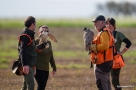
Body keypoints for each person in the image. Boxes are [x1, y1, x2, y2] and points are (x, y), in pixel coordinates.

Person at [18, 16, 47, 90]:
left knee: (24, 87)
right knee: (31, 86)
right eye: (35, 23)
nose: (36, 25)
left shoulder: (29, 34)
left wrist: (42, 46)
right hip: (27, 64)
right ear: (32, 24)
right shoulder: (25, 35)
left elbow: (32, 49)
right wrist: (24, 65)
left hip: (30, 64)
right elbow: (22, 50)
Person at [106, 18, 131, 90]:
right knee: (105, 80)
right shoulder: (104, 34)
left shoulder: (118, 34)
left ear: (114, 25)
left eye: (110, 24)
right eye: (107, 24)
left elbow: (128, 43)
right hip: (106, 59)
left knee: (115, 81)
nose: (108, 25)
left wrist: (121, 53)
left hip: (115, 59)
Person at [90, 15, 114, 90]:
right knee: (106, 83)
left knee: (101, 84)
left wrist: (93, 47)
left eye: (96, 22)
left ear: (103, 22)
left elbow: (105, 46)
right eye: (94, 22)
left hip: (103, 62)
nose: (94, 24)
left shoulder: (104, 33)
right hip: (107, 61)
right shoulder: (104, 32)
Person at [35, 25, 57, 90]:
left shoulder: (49, 43)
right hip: (38, 68)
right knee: (41, 86)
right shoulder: (36, 41)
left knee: (43, 87)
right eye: (42, 31)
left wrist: (54, 67)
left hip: (46, 69)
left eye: (46, 31)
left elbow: (51, 55)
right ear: (39, 33)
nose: (44, 32)